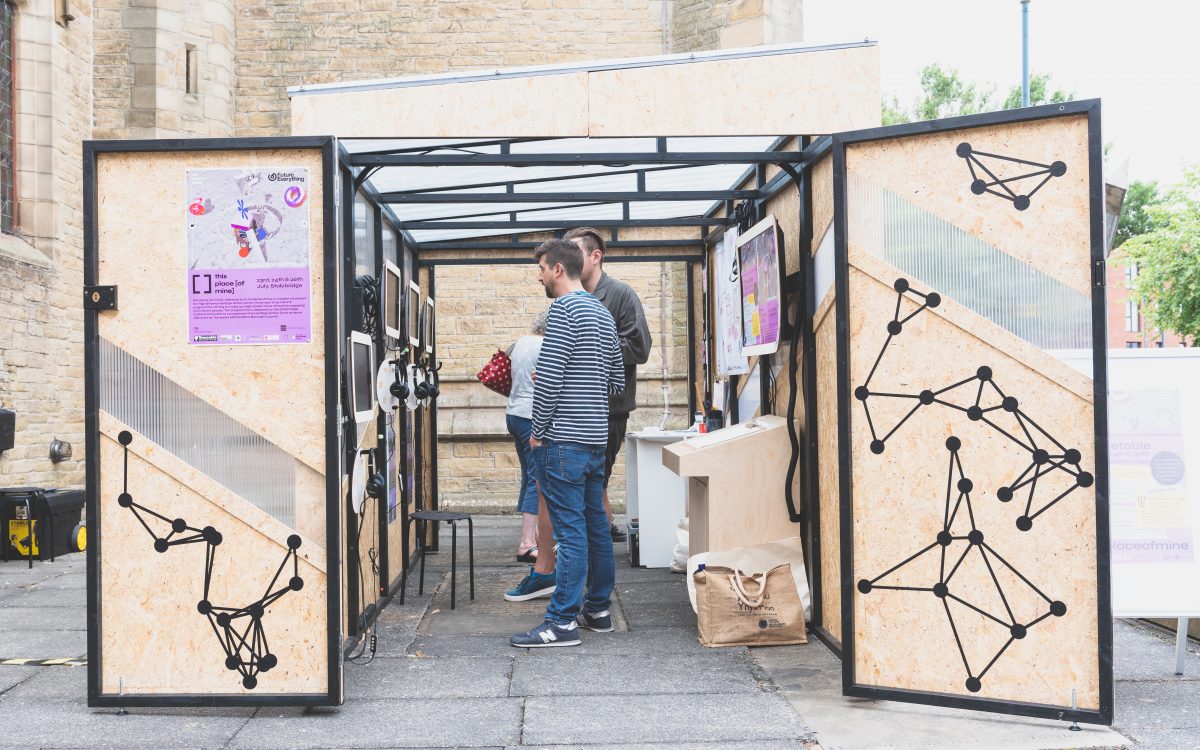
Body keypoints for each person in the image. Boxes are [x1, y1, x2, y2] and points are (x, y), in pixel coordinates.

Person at [510, 238, 624, 648]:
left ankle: (560, 623)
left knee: (569, 533)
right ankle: (597, 610)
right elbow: (616, 382)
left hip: (562, 441)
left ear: (559, 269)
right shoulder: (602, 313)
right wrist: (583, 385)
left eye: (541, 268)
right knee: (595, 528)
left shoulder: (562, 310)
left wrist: (538, 430)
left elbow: (552, 377)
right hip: (595, 439)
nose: (539, 275)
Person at [563, 227, 652, 542]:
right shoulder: (568, 297)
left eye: (574, 253)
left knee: (594, 481)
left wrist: (589, 353)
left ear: (596, 256)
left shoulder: (620, 294)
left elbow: (640, 349)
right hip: (574, 410)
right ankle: (593, 541)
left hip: (609, 408)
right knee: (585, 485)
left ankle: (593, 549)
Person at [506, 309, 549, 563]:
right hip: (532, 415)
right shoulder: (544, 345)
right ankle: (527, 543)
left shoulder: (521, 342)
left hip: (513, 413)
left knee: (528, 475)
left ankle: (530, 535)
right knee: (537, 479)